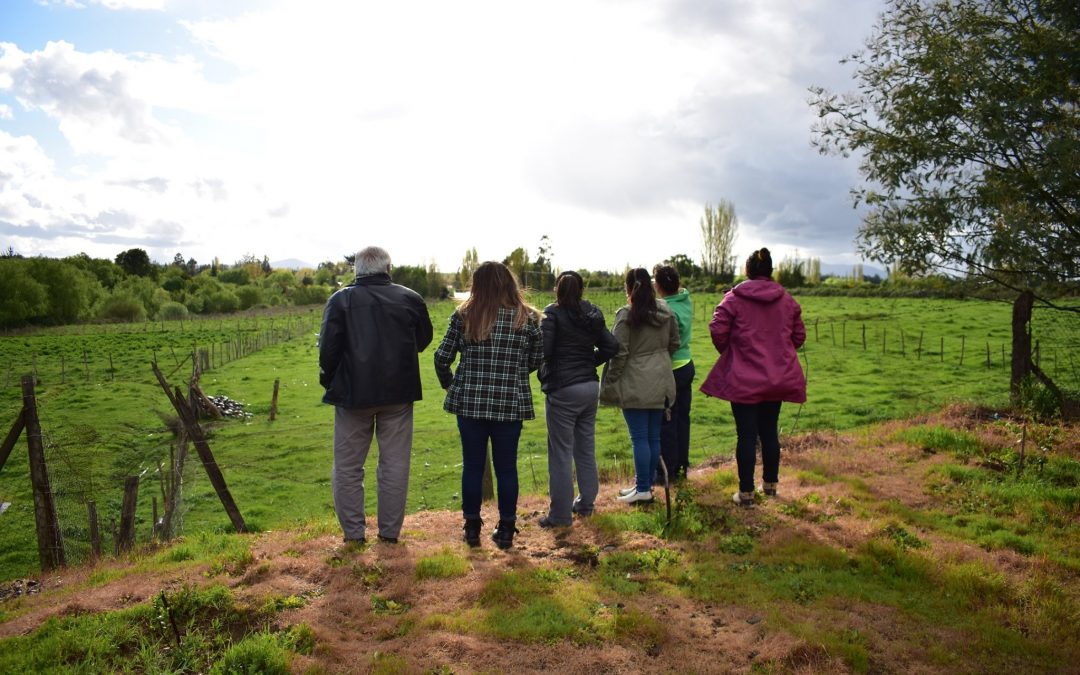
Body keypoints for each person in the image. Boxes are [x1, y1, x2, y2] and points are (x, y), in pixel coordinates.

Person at [318, 246, 434, 545]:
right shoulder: (410, 298)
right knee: (394, 464)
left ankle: (354, 535)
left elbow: (328, 350)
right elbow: (423, 340)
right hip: (398, 392)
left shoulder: (340, 300)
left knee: (347, 467)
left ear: (356, 269)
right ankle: (389, 534)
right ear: (388, 268)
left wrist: (329, 380)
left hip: (352, 394)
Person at [434, 261, 543, 549]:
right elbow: (537, 358)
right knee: (507, 468)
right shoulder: (527, 318)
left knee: (472, 465)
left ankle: (472, 528)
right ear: (510, 284)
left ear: (477, 285)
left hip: (470, 402)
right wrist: (516, 372)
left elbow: (442, 356)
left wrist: (450, 383)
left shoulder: (464, 315)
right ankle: (506, 529)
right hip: (509, 402)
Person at [700, 248, 806, 507]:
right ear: (770, 271)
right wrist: (779, 350)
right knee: (769, 431)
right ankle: (770, 486)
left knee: (746, 435)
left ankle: (745, 493)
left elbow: (717, 328)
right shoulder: (787, 300)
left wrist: (731, 351)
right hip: (777, 376)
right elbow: (799, 336)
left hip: (743, 377)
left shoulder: (734, 299)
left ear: (747, 271)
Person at [537, 271, 619, 527]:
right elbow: (612, 347)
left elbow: (545, 351)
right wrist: (588, 362)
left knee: (560, 453)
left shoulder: (551, 314)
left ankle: (560, 516)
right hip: (589, 387)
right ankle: (585, 504)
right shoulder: (591, 314)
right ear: (582, 289)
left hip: (563, 390)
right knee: (585, 448)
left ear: (557, 290)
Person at [600, 268, 680, 504]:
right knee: (653, 436)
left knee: (639, 438)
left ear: (628, 288)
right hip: (661, 380)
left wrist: (612, 380)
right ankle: (643, 484)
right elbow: (674, 342)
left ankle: (643, 488)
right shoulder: (666, 311)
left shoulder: (626, 315)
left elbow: (620, 352)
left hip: (635, 381)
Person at [653, 263, 695, 483]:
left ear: (658, 285)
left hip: (671, 369)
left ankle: (666, 471)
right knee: (682, 420)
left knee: (667, 422)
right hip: (687, 364)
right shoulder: (685, 301)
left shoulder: (664, 310)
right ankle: (681, 467)